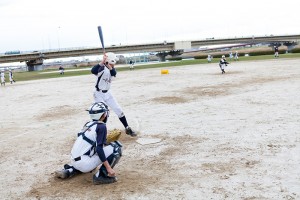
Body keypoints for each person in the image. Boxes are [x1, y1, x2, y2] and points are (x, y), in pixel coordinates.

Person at [55, 102, 123, 184]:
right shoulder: (101, 126)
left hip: (73, 160)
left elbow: (87, 141)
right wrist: (108, 168)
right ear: (104, 115)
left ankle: (70, 170)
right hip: (84, 164)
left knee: (90, 152)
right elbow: (99, 149)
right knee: (116, 147)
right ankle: (101, 176)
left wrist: (104, 141)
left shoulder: (88, 124)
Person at [91, 52, 137, 137]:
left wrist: (108, 65)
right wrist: (102, 62)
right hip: (98, 94)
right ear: (110, 60)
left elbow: (114, 73)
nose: (115, 62)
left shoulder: (111, 69)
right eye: (114, 61)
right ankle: (100, 134)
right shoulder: (101, 68)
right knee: (103, 114)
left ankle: (127, 128)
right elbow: (93, 71)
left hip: (108, 93)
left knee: (118, 110)